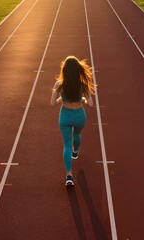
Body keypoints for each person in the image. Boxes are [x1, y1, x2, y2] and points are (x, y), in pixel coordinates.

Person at [50, 56, 95, 187]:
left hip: (65, 117)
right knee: (77, 135)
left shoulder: (59, 84)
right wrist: (83, 99)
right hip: (79, 116)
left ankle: (69, 175)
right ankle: (76, 150)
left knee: (66, 145)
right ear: (78, 70)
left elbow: (52, 103)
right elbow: (90, 104)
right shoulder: (83, 85)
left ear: (64, 70)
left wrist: (60, 100)